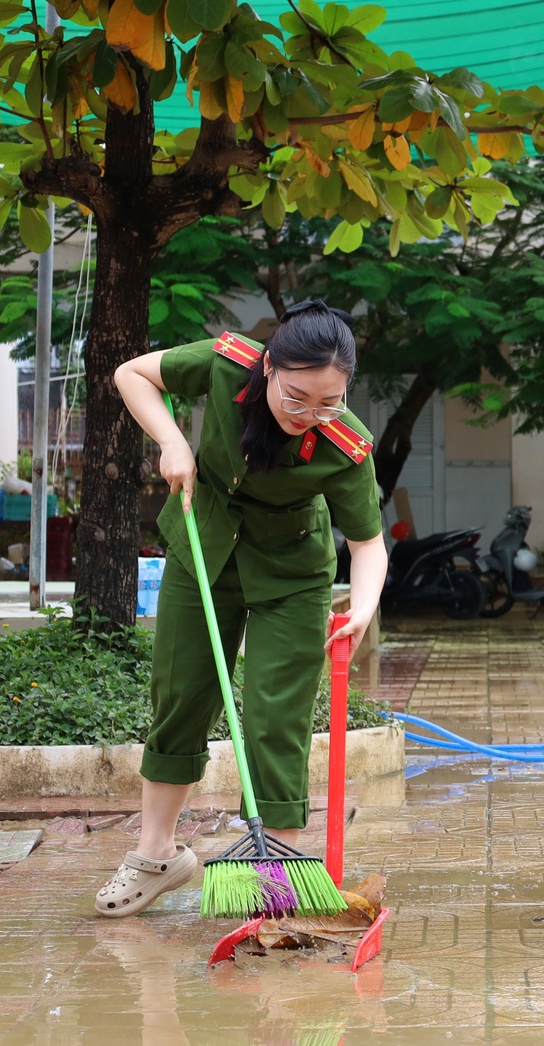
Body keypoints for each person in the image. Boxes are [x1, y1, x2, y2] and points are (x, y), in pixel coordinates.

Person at [94, 301, 389, 917]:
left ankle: (274, 871)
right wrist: (172, 441)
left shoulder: (345, 445)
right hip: (204, 546)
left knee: (277, 715)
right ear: (269, 367)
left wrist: (361, 609)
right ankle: (157, 855)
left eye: (329, 402)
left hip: (291, 576)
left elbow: (367, 544)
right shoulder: (228, 364)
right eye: (296, 396)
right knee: (181, 692)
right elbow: (131, 373)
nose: (308, 414)